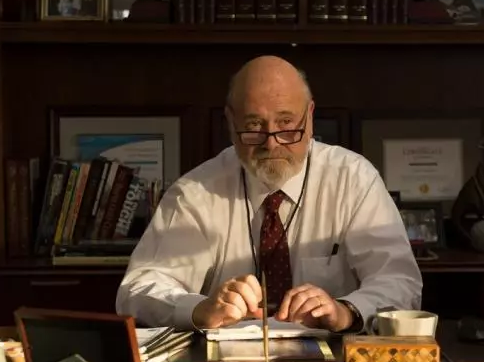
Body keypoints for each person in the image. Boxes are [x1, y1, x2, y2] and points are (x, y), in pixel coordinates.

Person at [116, 55, 422, 332]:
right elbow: (137, 291)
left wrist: (346, 312)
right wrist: (198, 308)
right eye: (254, 126)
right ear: (230, 122)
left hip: (334, 361)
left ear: (310, 116)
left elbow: (400, 283)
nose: (271, 144)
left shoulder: (353, 180)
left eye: (286, 124)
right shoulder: (195, 193)